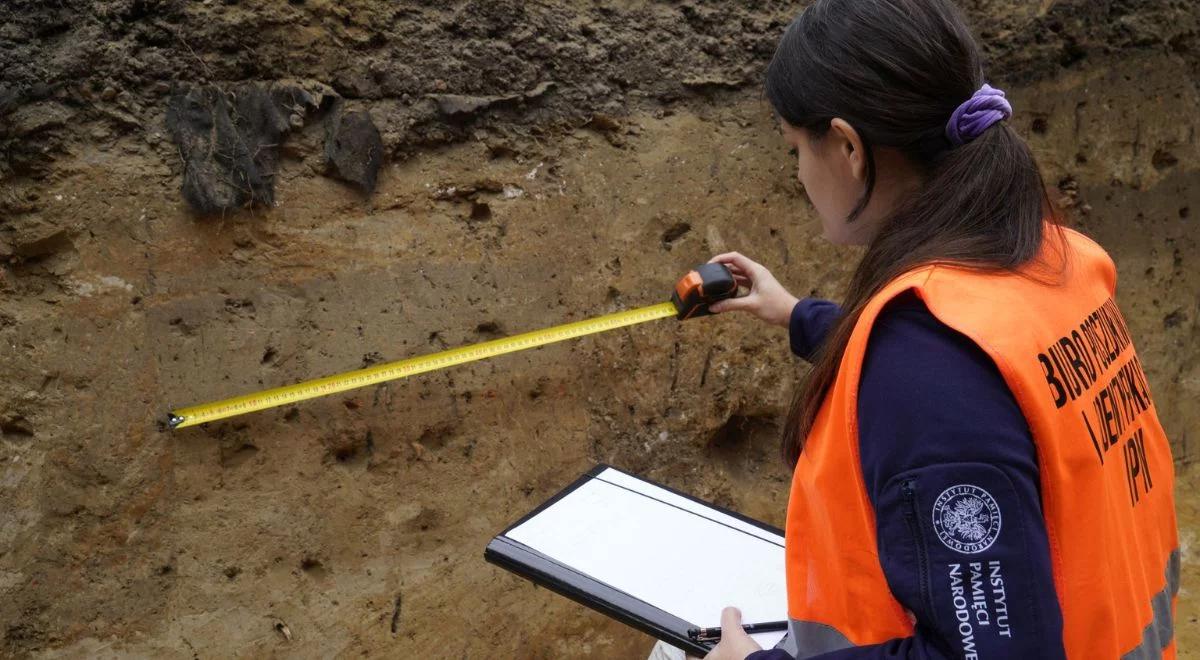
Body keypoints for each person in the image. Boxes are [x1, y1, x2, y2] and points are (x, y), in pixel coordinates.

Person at [650, 0, 1179, 658]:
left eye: (796, 149)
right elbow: (984, 379)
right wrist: (794, 313)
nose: (799, 176)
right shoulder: (1057, 261)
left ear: (847, 147)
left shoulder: (928, 366)